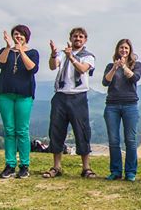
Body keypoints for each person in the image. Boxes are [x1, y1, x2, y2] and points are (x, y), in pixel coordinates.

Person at [43, 27, 96, 179]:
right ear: (71, 38)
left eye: (80, 37)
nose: (77, 39)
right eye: (75, 36)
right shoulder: (62, 53)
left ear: (85, 40)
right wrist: (54, 54)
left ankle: (86, 167)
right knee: (56, 130)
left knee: (82, 130)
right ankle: (56, 166)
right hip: (60, 95)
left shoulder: (88, 56)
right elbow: (53, 66)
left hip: (78, 96)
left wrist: (71, 57)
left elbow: (83, 69)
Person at [0, 25, 39, 179]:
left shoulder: (33, 53)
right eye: (16, 34)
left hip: (24, 95)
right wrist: (8, 47)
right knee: (9, 130)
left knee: (22, 130)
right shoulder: (5, 50)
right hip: (5, 94)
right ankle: (10, 164)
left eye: (21, 34)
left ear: (27, 37)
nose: (18, 36)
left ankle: (24, 165)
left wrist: (20, 50)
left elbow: (32, 68)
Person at [102, 39, 141, 182]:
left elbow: (135, 78)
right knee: (113, 140)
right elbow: (105, 82)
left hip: (130, 105)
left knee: (130, 140)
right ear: (117, 50)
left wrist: (124, 67)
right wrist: (114, 68)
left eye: (126, 48)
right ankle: (116, 171)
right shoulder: (110, 66)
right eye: (121, 48)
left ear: (130, 50)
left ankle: (130, 172)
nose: (123, 50)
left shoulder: (136, 65)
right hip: (112, 106)